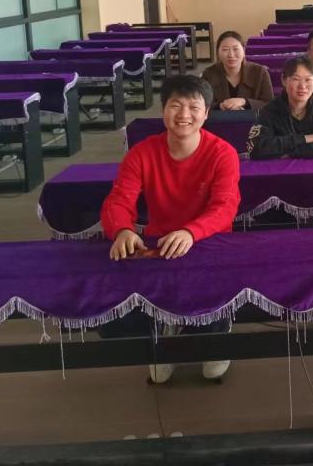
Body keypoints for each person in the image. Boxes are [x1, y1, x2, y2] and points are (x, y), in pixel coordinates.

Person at [100, 74, 241, 383]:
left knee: (208, 297)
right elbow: (119, 200)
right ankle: (163, 331)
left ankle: (218, 330)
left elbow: (225, 207)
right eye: (176, 105)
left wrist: (191, 232)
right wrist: (122, 230)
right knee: (117, 286)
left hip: (209, 241)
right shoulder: (141, 153)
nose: (184, 114)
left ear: (206, 113)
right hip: (159, 241)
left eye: (194, 107)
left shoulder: (223, 153)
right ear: (163, 109)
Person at [247, 55, 313, 158]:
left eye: (308, 80)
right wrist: (304, 139)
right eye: (296, 79)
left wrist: (292, 152)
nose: (302, 86)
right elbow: (255, 147)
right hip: (281, 168)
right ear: (283, 80)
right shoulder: (271, 110)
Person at [201, 30, 273, 115]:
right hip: (219, 120)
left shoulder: (260, 72)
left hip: (254, 121)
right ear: (218, 53)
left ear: (244, 51)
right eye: (225, 49)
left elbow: (270, 104)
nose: (231, 55)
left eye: (236, 49)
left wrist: (244, 101)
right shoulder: (208, 74)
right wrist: (220, 106)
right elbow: (202, 104)